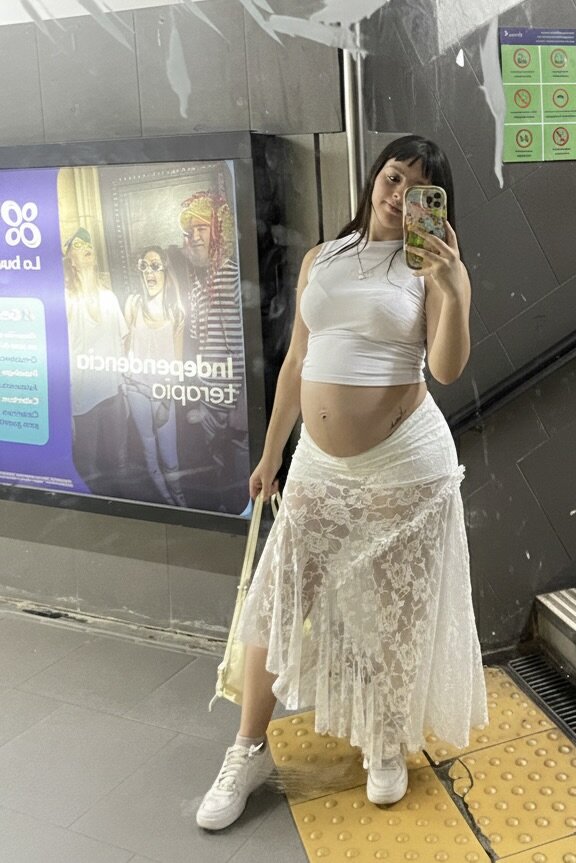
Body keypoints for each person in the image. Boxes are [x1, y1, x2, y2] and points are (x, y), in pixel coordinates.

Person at [195, 135, 488, 830]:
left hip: (403, 464)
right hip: (317, 466)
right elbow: (298, 359)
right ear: (374, 178)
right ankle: (247, 748)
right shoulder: (321, 258)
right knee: (277, 598)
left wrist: (454, 290)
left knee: (390, 611)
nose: (400, 196)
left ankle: (385, 739)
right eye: (393, 178)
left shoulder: (432, 270)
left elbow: (445, 368)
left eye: (418, 190)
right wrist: (272, 453)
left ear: (436, 204)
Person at [179, 190, 249, 513]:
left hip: (234, 404)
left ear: (219, 231)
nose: (194, 236)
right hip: (209, 401)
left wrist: (238, 406)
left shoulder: (233, 277)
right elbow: (198, 345)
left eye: (202, 228)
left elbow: (243, 349)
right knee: (218, 468)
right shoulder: (198, 285)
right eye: (190, 230)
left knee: (240, 472)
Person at [63, 227, 129, 497]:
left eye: (88, 244)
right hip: (82, 400)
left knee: (118, 460)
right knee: (87, 463)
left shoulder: (109, 298)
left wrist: (123, 386)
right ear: (71, 261)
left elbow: (122, 342)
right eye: (78, 246)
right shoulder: (67, 300)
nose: (86, 247)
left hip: (112, 393)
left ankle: (123, 507)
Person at [123, 246, 187, 506]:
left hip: (162, 392)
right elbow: (124, 350)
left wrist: (167, 401)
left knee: (169, 456)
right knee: (149, 451)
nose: (149, 272)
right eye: (144, 266)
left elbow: (177, 364)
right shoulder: (133, 304)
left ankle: (181, 501)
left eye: (155, 266)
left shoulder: (176, 311)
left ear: (165, 270)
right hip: (135, 388)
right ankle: (167, 501)